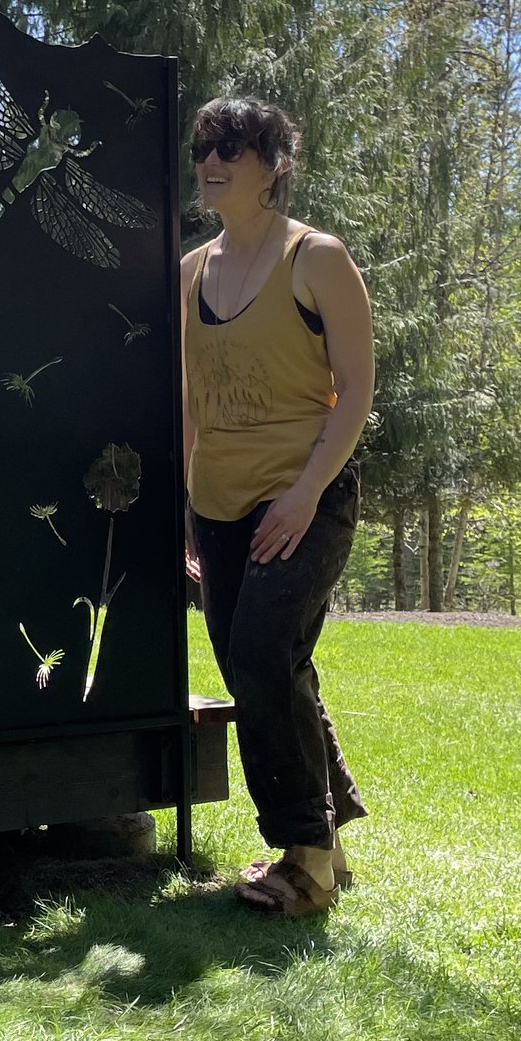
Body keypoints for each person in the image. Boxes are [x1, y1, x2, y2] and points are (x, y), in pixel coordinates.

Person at [179, 96, 374, 918]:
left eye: (231, 146)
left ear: (274, 166)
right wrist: (181, 515)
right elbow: (187, 401)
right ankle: (331, 834)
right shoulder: (190, 272)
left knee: (262, 653)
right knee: (263, 664)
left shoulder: (316, 258)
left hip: (303, 496)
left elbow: (356, 391)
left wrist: (303, 493)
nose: (211, 161)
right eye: (203, 148)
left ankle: (307, 864)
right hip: (217, 505)